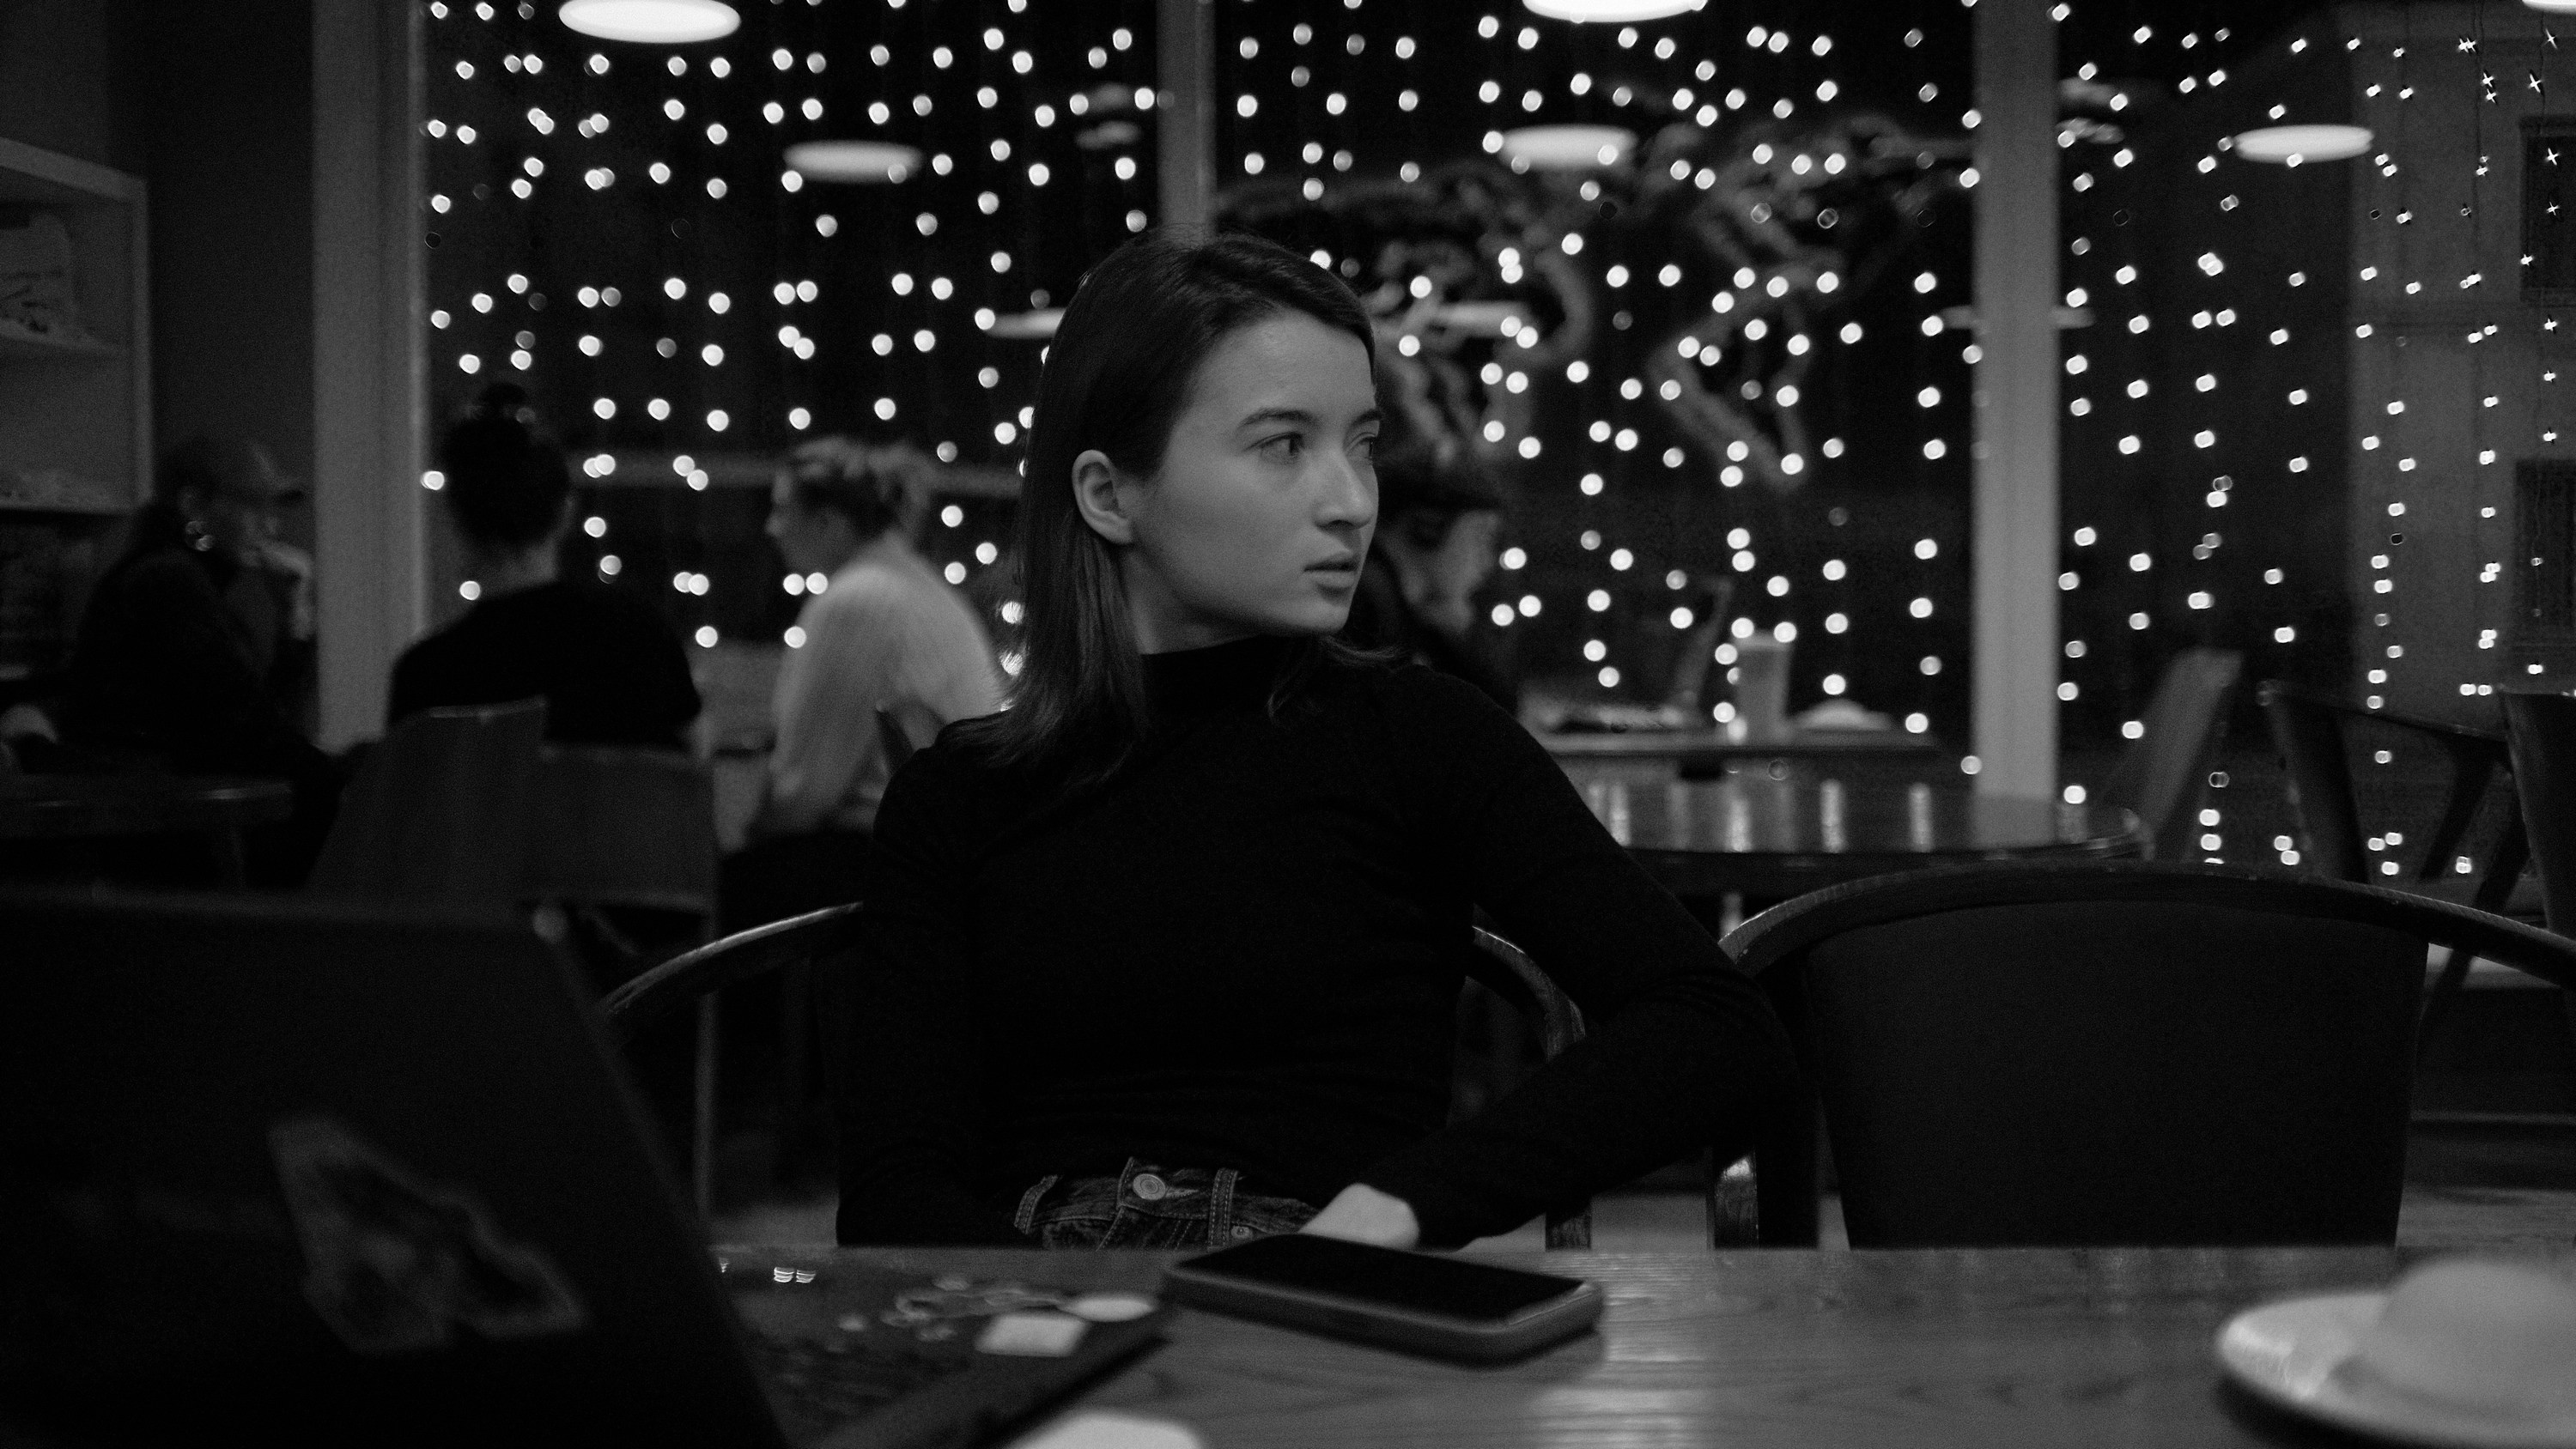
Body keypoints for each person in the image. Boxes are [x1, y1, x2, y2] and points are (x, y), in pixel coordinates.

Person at [836, 229, 1802, 1252]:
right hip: (1036, 1295)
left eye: (1362, 443)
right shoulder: (963, 789)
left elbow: (1716, 1026)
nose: (1351, 502)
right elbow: (896, 1193)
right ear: (1110, 495)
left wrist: (1407, 1202)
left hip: (1315, 1285)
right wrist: (1063, 1318)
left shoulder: (1419, 737)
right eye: (1284, 445)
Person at [717, 438, 1001, 931]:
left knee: (722, 883)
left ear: (828, 522)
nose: (771, 528)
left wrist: (736, 834)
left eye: (782, 510)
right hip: (960, 856)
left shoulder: (857, 599)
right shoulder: (914, 582)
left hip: (904, 864)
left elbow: (805, 796)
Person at [61, 435, 336, 884]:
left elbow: (265, 719)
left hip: (174, 810)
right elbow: (245, 729)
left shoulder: (182, 577)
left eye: (273, 509)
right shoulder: (168, 579)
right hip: (158, 824)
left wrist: (296, 615)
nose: (270, 527)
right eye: (253, 506)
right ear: (193, 506)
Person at [389, 385, 701, 750]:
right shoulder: (640, 636)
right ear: (566, 512)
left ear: (457, 520)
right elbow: (690, 763)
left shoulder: (428, 675)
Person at [1339, 437, 1520, 712]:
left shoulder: (1398, 603)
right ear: (1428, 523)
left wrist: (1453, 635)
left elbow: (1499, 712)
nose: (1487, 562)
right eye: (1481, 537)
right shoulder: (1367, 602)